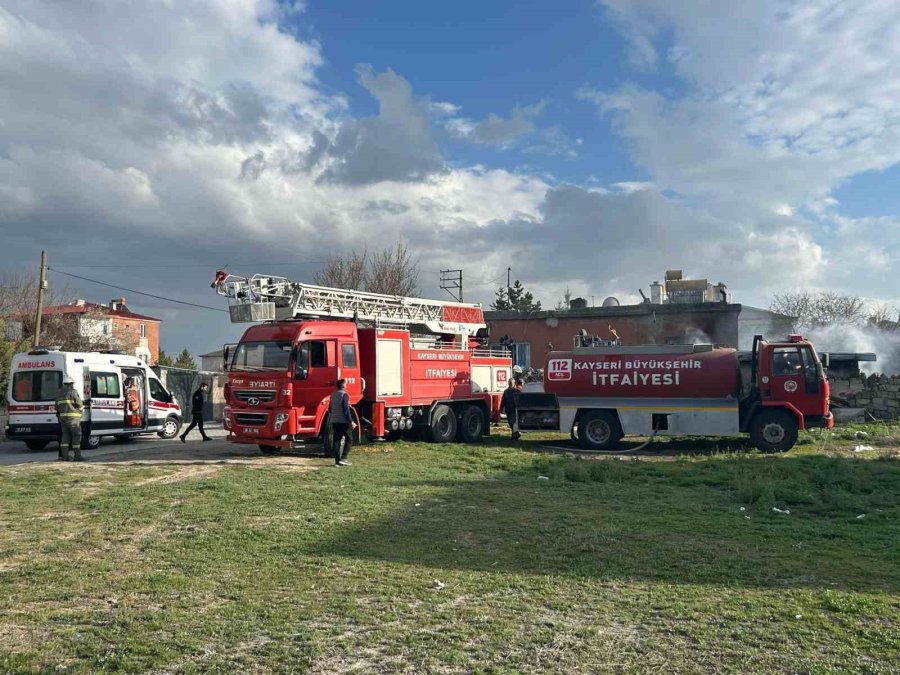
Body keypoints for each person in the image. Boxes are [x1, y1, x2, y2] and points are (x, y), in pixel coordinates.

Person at [55, 376, 84, 461]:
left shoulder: (58, 393)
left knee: (65, 437)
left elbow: (56, 407)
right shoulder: (73, 392)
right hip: (73, 419)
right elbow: (80, 405)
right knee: (76, 436)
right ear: (71, 384)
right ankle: (77, 456)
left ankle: (65, 457)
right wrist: (79, 413)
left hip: (63, 419)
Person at [329, 379, 356, 466]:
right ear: (343, 386)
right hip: (343, 421)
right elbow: (346, 410)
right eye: (346, 384)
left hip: (335, 420)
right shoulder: (344, 395)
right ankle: (344, 458)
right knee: (349, 439)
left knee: (336, 440)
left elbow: (330, 409)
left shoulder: (332, 395)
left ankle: (337, 460)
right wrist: (351, 421)